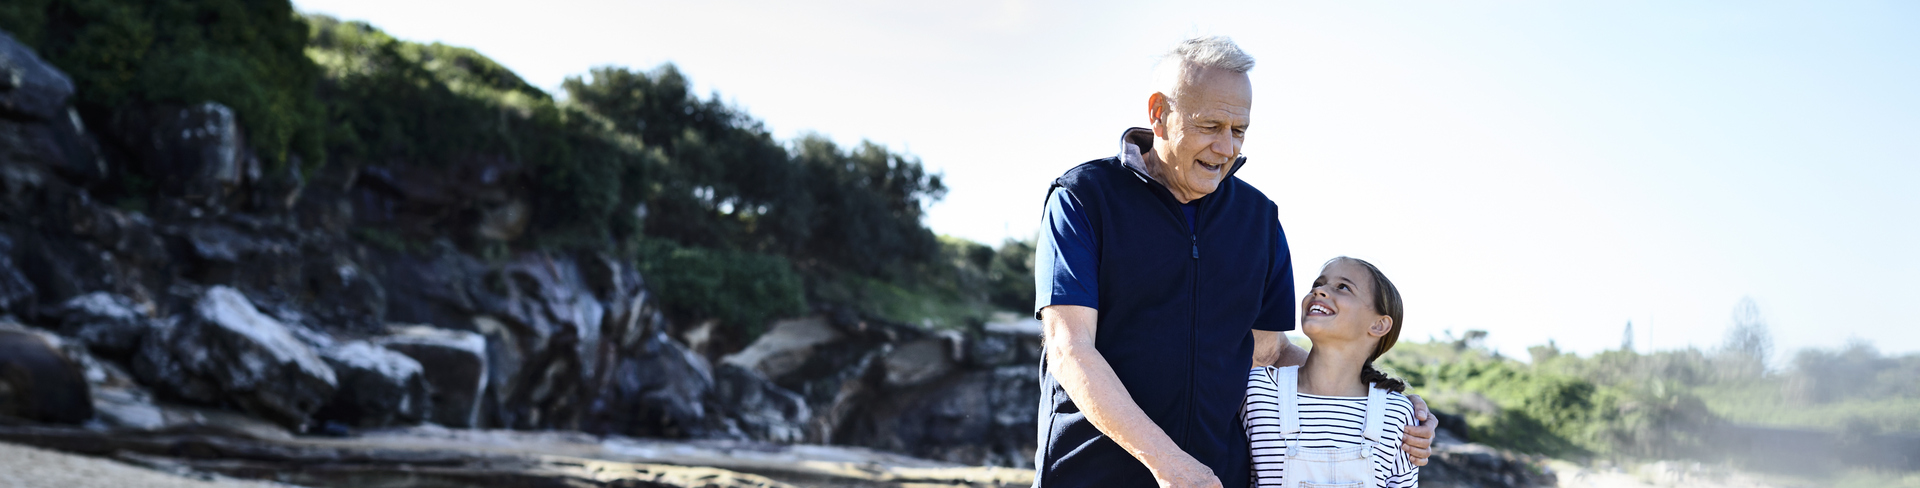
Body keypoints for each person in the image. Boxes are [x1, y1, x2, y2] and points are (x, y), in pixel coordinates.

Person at [1032, 36, 1436, 488]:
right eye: (1210, 126)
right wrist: (1168, 462)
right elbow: (1070, 349)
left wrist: (1384, 402)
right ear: (1159, 114)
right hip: (1090, 476)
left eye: (1239, 131)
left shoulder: (1258, 220)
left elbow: (1270, 352)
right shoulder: (1084, 197)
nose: (1226, 149)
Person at [1246, 257, 1418, 488]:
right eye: (1318, 284)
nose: (1320, 291)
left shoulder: (1397, 413)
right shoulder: (1258, 390)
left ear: (1379, 325)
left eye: (1343, 287)